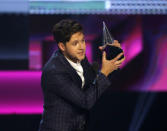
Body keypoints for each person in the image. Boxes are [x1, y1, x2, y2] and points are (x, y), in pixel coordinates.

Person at [39, 19, 125, 131]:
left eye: (83, 41)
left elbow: (95, 83)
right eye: (75, 43)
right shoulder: (55, 71)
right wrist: (104, 72)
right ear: (62, 46)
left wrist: (112, 54)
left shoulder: (80, 58)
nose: (81, 47)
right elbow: (85, 101)